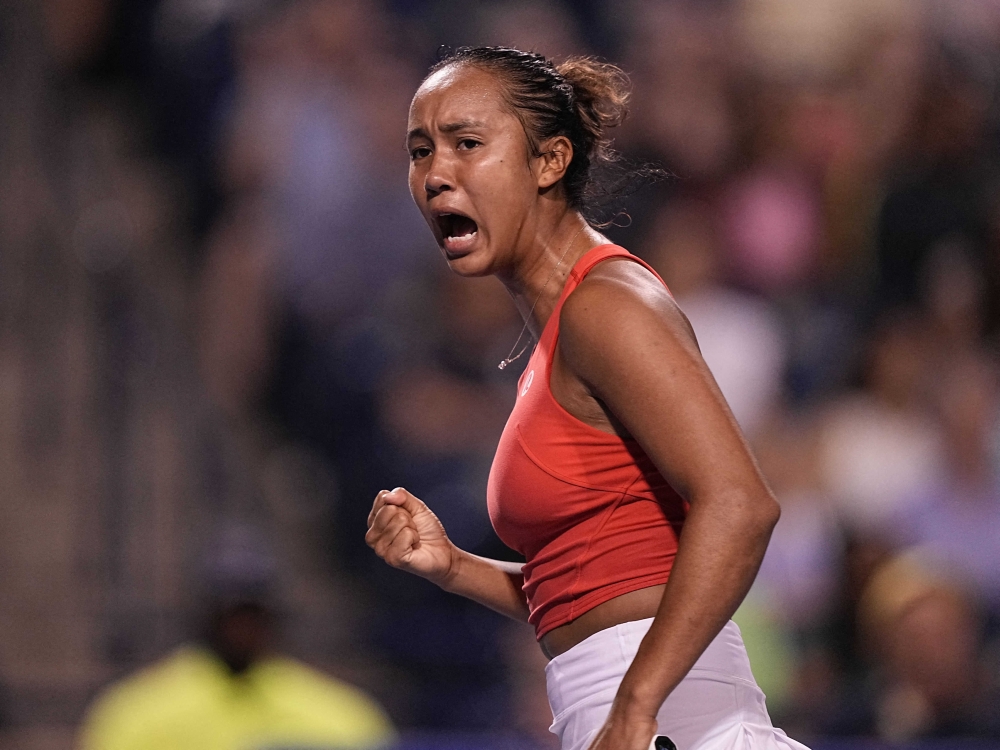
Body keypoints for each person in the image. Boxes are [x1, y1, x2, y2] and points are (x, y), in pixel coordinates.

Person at [365, 46, 808, 750]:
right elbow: (589, 588)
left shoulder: (606, 306)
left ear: (550, 161)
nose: (436, 173)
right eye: (420, 151)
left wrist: (636, 705)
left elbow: (741, 505)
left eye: (467, 143)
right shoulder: (558, 335)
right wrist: (456, 567)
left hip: (679, 723)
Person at [80, 526, 395, 750]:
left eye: (251, 613)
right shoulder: (136, 714)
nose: (241, 628)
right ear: (204, 615)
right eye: (229, 615)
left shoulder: (340, 717)